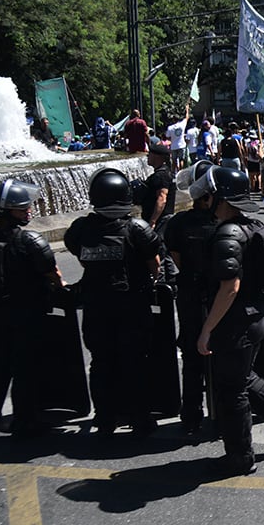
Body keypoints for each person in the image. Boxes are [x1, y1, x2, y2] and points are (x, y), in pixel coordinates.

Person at [195, 166, 264, 475]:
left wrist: (207, 329)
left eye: (213, 196)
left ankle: (241, 456)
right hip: (258, 314)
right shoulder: (253, 226)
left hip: (237, 322)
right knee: (242, 377)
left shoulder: (229, 233)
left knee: (232, 390)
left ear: (224, 200)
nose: (208, 199)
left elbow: (229, 287)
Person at [64, 168, 163, 437]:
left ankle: (105, 418)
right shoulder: (136, 229)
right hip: (132, 305)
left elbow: (78, 253)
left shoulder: (80, 229)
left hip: (96, 306)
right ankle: (140, 418)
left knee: (101, 363)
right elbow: (155, 264)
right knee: (135, 363)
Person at [0, 180, 64, 435]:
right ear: (6, 211)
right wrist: (60, 285)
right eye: (21, 208)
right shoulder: (29, 239)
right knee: (25, 369)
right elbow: (50, 271)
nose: (28, 210)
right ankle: (24, 421)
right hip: (26, 313)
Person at [164, 160, 219, 434]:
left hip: (188, 294)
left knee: (191, 356)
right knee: (222, 355)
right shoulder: (223, 221)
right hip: (217, 297)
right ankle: (222, 413)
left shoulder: (178, 223)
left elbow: (177, 259)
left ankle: (191, 415)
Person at [141, 142, 176, 230]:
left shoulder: (161, 175)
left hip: (159, 222)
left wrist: (152, 222)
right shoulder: (165, 171)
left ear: (157, 157)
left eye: (149, 154)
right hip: (161, 220)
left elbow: (162, 199)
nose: (147, 157)